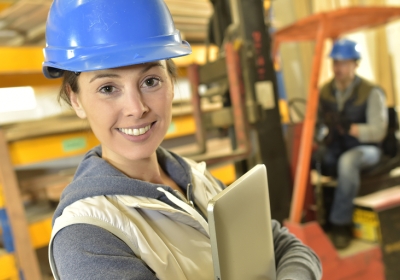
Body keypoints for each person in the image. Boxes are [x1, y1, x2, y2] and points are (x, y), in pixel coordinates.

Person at [43, 0, 322, 279]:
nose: (137, 108)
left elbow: (286, 247)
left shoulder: (196, 179)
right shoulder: (87, 236)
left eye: (150, 81)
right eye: (107, 88)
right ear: (75, 99)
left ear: (171, 83)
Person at [314, 39, 388, 249]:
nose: (338, 68)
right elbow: (318, 125)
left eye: (344, 63)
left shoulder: (371, 92)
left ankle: (340, 223)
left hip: (367, 149)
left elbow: (378, 132)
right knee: (318, 159)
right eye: (335, 63)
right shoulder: (325, 92)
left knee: (347, 162)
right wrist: (322, 134)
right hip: (339, 145)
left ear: (356, 64)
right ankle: (321, 216)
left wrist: (352, 129)